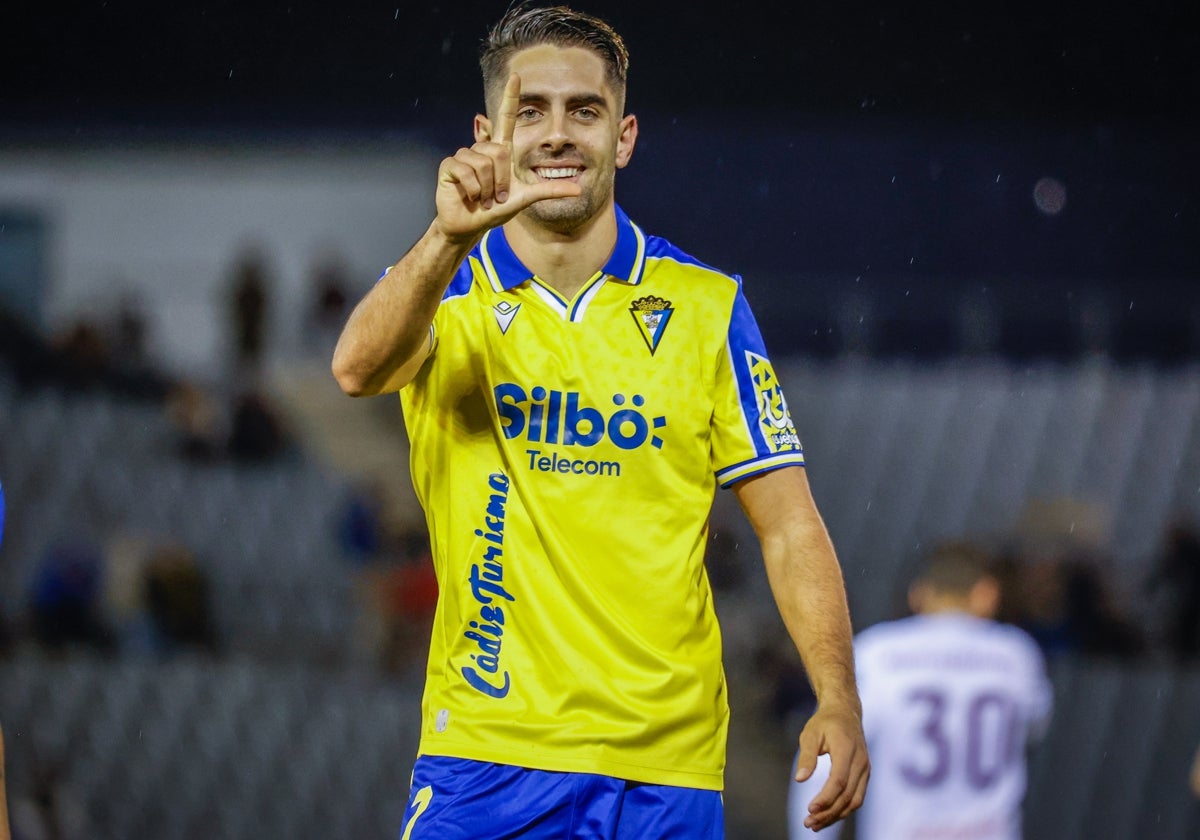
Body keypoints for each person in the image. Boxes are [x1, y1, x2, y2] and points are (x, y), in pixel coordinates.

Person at [331, 4, 867, 837]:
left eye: (584, 111)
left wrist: (837, 692)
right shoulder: (447, 292)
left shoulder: (707, 308)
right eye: (530, 110)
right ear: (488, 133)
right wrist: (442, 237)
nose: (557, 133)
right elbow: (356, 369)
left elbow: (790, 524)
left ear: (624, 137)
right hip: (487, 758)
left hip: (664, 772)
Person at [788, 541, 1053, 839]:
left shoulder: (878, 651)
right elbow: (1034, 727)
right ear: (986, 593)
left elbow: (830, 758)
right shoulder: (1017, 654)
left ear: (919, 595)